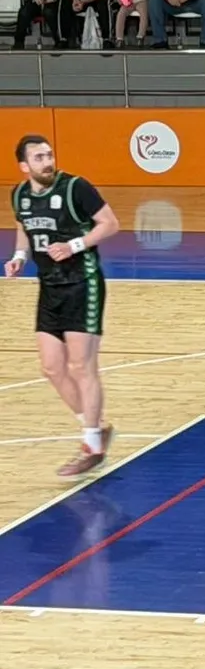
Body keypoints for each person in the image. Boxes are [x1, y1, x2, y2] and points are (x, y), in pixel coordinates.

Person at [5, 135, 121, 477]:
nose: (47, 162)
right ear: (24, 166)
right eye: (39, 158)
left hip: (83, 283)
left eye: (49, 155)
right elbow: (23, 226)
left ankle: (91, 445)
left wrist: (74, 245)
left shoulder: (75, 187)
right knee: (52, 368)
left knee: (82, 365)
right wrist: (19, 255)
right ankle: (96, 427)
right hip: (49, 286)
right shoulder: (20, 194)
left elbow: (110, 224)